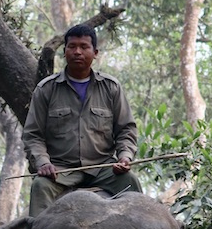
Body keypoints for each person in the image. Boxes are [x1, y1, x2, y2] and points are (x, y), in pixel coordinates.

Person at [22, 23, 143, 217]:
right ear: (64, 51)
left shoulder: (111, 87)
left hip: (103, 167)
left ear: (95, 52)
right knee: (40, 186)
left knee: (131, 183)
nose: (77, 52)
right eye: (72, 46)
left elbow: (126, 129)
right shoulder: (46, 89)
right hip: (61, 171)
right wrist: (43, 163)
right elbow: (33, 135)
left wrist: (125, 157)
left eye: (84, 47)